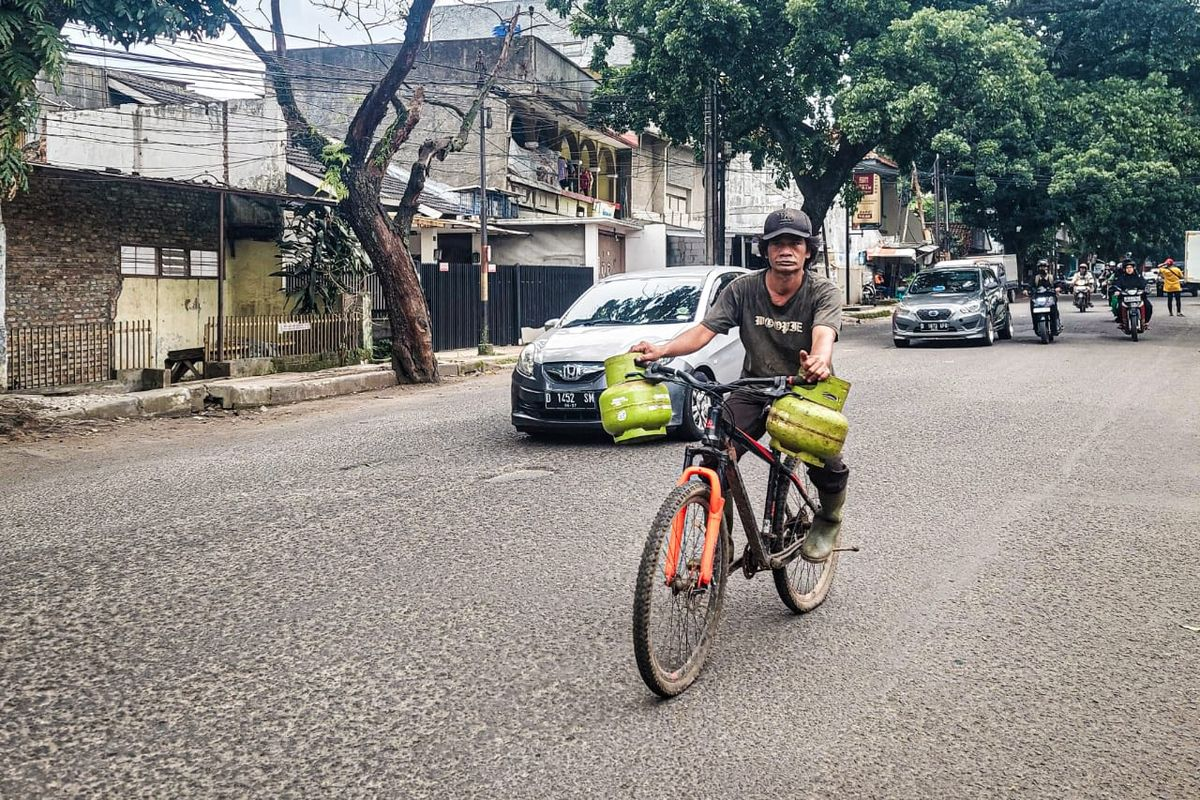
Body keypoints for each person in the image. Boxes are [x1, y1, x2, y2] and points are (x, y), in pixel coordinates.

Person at [630, 208, 848, 562]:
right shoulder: (743, 289)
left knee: (826, 459)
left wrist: (820, 360)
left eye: (795, 243)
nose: (786, 250)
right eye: (777, 243)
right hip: (755, 386)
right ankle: (720, 540)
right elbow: (704, 331)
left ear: (809, 250)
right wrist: (662, 350)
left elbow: (824, 334)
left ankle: (828, 517)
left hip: (805, 387)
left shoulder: (822, 291)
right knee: (714, 451)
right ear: (765, 250)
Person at [1110, 260, 1153, 325]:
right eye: (1127, 268)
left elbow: (1144, 284)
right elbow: (1116, 285)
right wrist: (1117, 291)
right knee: (1118, 307)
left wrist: (1146, 290)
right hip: (1124, 297)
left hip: (1139, 297)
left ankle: (1146, 322)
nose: (1129, 269)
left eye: (1130, 268)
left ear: (1133, 268)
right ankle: (1122, 322)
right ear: (1124, 269)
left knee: (1148, 306)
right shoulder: (1121, 278)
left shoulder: (1138, 277)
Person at [1031, 261, 1062, 334]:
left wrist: (1058, 288)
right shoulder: (1035, 278)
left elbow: (1058, 284)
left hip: (1050, 298)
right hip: (1037, 299)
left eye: (1044, 267)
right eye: (1041, 267)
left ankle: (1056, 326)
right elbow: (1030, 286)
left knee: (1054, 311)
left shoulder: (1051, 277)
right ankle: (1036, 326)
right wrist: (1026, 290)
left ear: (1047, 268)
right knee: (1033, 309)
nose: (1043, 268)